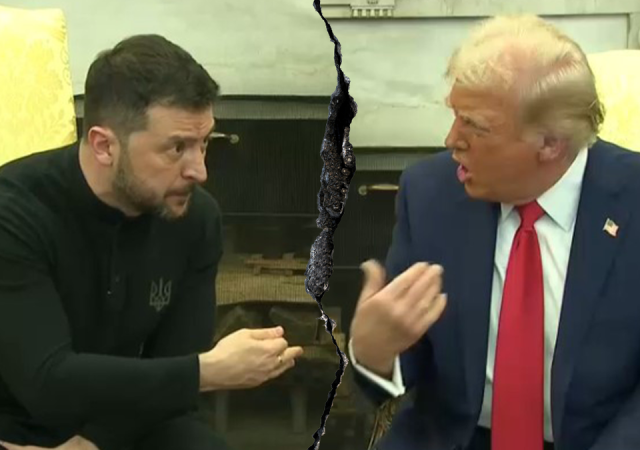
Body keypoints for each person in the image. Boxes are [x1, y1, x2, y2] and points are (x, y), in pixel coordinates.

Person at [349, 14, 640, 450]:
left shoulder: (632, 200)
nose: (451, 139)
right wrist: (373, 354)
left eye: (475, 126)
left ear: (550, 143)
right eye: (454, 116)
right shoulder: (431, 194)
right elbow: (399, 368)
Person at [0, 35, 303, 450]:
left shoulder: (195, 218)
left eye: (204, 143)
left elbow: (172, 368)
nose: (199, 171)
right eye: (177, 148)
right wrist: (206, 372)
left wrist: (90, 444)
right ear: (104, 146)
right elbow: (45, 380)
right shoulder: (14, 214)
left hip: (125, 421)